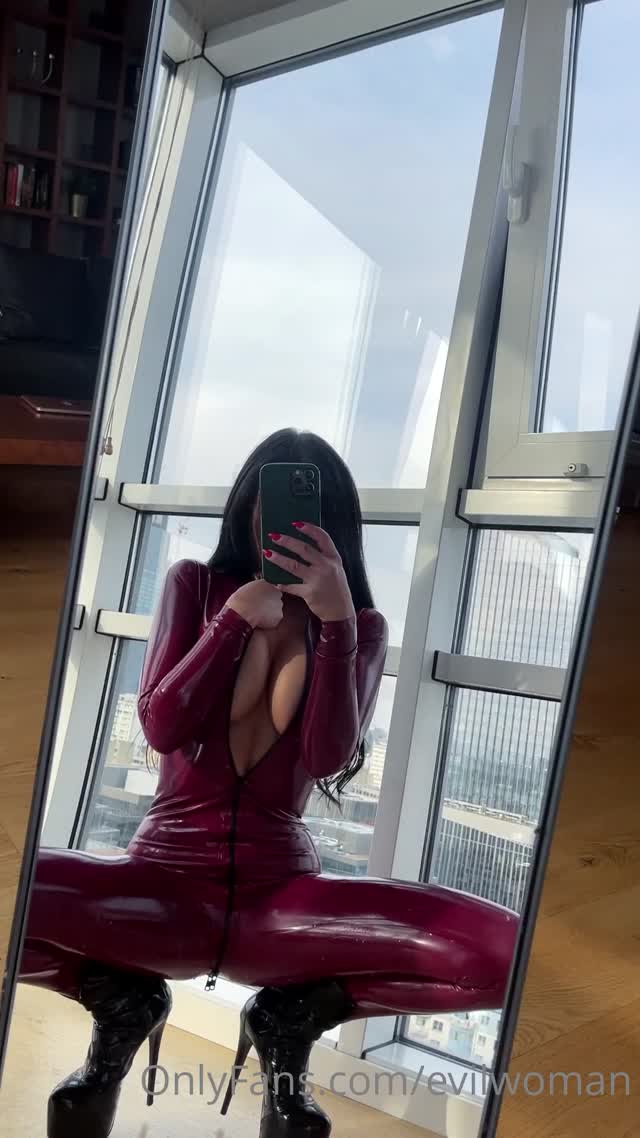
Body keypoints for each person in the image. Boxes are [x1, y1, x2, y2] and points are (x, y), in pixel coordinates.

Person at [19, 429, 518, 1138]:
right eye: (270, 501)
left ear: (337, 525)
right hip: (161, 887)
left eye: (312, 511)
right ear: (246, 506)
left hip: (280, 901)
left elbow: (325, 755)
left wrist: (337, 624)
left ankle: (294, 1017)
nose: (285, 522)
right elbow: (161, 724)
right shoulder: (194, 585)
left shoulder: (361, 626)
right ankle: (118, 999)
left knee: (506, 954)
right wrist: (231, 622)